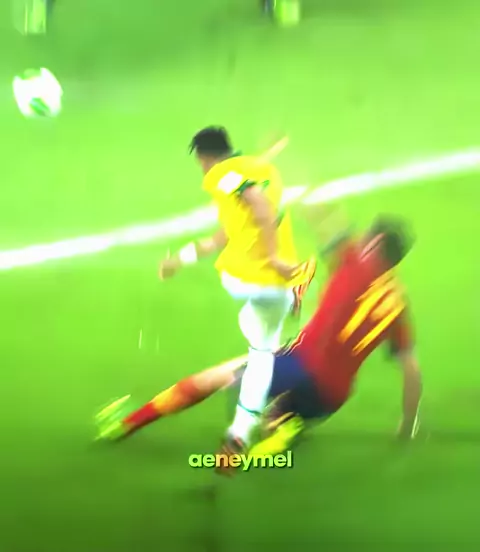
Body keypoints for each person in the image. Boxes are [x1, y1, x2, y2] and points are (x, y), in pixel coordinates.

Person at [95, 211, 422, 474]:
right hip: (332, 398)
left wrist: (300, 195)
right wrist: (407, 426)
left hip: (299, 365)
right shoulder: (398, 304)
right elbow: (411, 370)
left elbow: (326, 220)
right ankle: (285, 423)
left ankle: (127, 424)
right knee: (280, 409)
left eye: (367, 235)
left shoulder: (353, 259)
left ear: (375, 241)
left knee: (212, 380)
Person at [157, 127, 316, 451]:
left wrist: (271, 257)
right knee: (261, 353)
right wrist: (180, 260)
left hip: (242, 279)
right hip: (278, 283)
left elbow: (258, 204)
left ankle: (241, 430)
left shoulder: (222, 175)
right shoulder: (265, 169)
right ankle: (240, 432)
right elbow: (223, 235)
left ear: (204, 158)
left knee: (254, 332)